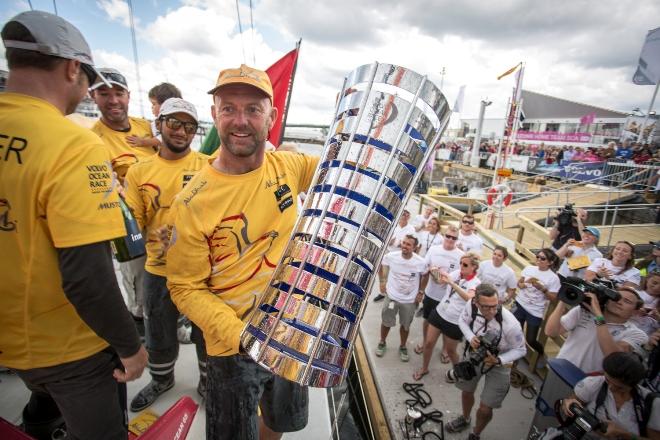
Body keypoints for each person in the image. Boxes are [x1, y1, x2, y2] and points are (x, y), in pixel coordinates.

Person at [0, 10, 147, 439]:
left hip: (11, 340)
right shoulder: (75, 145)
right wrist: (129, 348)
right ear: (71, 68)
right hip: (69, 347)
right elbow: (87, 277)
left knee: (39, 408)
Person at [166, 64, 318, 440]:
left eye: (253, 109)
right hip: (232, 346)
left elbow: (349, 174)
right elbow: (184, 288)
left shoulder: (288, 166)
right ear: (215, 114)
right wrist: (242, 335)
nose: (240, 120)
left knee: (281, 420)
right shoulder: (191, 201)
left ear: (272, 117)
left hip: (290, 329)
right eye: (229, 108)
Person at [123, 98, 209, 412]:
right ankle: (162, 381)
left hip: (201, 272)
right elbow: (132, 221)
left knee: (205, 333)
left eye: (189, 126)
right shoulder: (138, 171)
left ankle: (206, 381)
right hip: (158, 270)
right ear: (158, 124)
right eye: (174, 123)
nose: (181, 131)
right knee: (158, 332)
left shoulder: (209, 165)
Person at [91, 67, 155, 336]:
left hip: (162, 217)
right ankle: (139, 326)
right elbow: (102, 186)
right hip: (130, 224)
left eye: (118, 93)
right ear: (93, 97)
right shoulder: (94, 138)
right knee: (137, 277)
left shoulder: (144, 126)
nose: (113, 100)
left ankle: (167, 321)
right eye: (104, 94)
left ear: (128, 96)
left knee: (165, 275)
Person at [444, 284, 526, 439]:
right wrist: (470, 337)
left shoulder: (511, 324)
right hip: (475, 354)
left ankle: (476, 433)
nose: (492, 311)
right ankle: (465, 418)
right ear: (476, 302)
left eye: (495, 306)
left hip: (500, 362)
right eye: (486, 307)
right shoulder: (471, 305)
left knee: (486, 408)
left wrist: (499, 360)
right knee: (467, 390)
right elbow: (462, 321)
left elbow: (521, 350)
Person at [545, 285, 648, 374]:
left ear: (635, 312)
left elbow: (612, 355)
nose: (619, 302)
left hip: (589, 384)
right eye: (616, 298)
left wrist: (598, 315)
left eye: (627, 301)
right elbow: (551, 331)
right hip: (559, 368)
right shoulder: (583, 311)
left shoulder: (636, 334)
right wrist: (564, 299)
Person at [561, 352, 659, 440]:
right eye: (608, 380)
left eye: (619, 387)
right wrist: (568, 404)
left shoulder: (651, 403)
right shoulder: (593, 384)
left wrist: (624, 434)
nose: (611, 388)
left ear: (634, 385)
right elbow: (571, 403)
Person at [414, 253, 481, 381]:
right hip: (440, 313)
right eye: (460, 263)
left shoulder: (475, 283)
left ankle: (457, 371)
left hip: (454, 321)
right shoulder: (457, 273)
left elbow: (469, 298)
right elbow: (441, 281)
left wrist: (452, 283)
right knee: (428, 343)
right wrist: (435, 272)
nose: (461, 266)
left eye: (465, 264)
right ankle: (424, 368)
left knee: (451, 351)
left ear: (474, 267)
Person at [414, 225, 464, 357]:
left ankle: (445, 349)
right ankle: (425, 342)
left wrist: (444, 278)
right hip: (431, 294)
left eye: (454, 238)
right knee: (427, 320)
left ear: (457, 239)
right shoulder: (434, 249)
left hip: (448, 297)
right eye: (448, 236)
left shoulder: (461, 255)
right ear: (443, 236)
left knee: (446, 324)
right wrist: (431, 272)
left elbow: (461, 277)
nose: (450, 239)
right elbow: (424, 269)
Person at [375, 235, 427, 362]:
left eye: (409, 244)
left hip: (409, 301)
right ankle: (382, 342)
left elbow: (426, 275)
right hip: (392, 297)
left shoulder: (420, 261)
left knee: (405, 326)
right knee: (386, 322)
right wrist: (382, 281)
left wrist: (420, 292)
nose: (405, 246)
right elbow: (380, 264)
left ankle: (403, 346)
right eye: (404, 243)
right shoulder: (392, 256)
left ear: (415, 247)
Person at [511, 248, 561, 367]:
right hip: (520, 304)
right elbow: (520, 282)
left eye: (542, 258)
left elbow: (553, 298)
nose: (538, 259)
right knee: (514, 332)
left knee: (531, 339)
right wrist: (521, 285)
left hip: (535, 310)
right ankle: (515, 357)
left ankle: (541, 353)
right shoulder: (529, 269)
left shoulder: (553, 278)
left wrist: (542, 288)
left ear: (550, 262)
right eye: (537, 256)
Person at [374, 209, 417, 302]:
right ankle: (383, 292)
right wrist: (392, 242)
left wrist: (399, 244)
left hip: (401, 256)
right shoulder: (392, 225)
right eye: (403, 214)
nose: (404, 216)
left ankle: (393, 296)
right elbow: (385, 239)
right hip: (388, 254)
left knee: (397, 277)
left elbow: (410, 244)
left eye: (406, 215)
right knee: (384, 275)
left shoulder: (411, 229)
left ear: (409, 217)